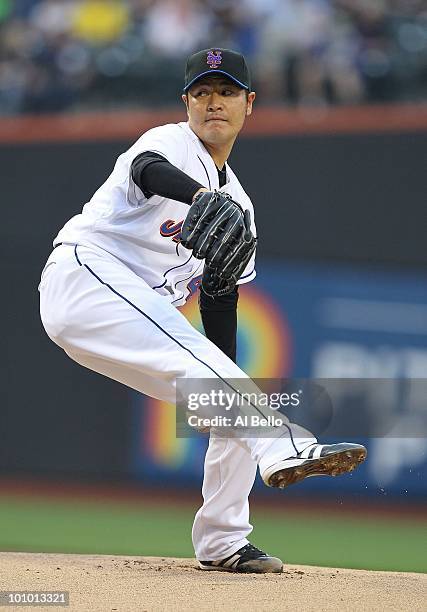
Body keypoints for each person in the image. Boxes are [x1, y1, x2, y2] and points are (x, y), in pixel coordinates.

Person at [38, 48, 366, 573]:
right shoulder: (171, 142)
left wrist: (226, 382)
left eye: (228, 91)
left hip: (133, 314)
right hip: (85, 278)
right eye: (203, 92)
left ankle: (223, 540)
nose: (215, 102)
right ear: (186, 102)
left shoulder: (241, 205)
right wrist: (197, 198)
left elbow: (221, 298)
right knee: (240, 400)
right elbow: (147, 171)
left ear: (250, 103)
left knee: (231, 393)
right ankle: (285, 446)